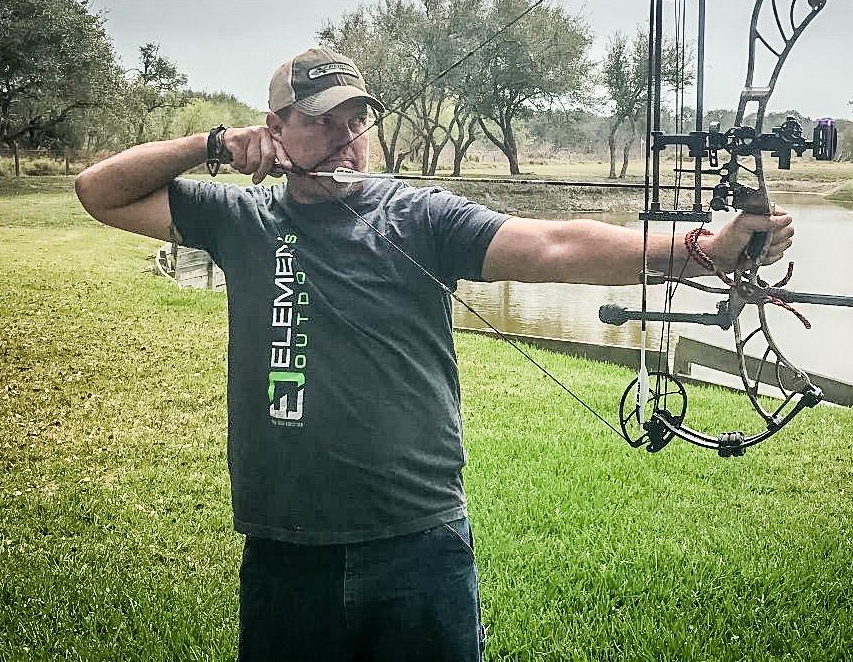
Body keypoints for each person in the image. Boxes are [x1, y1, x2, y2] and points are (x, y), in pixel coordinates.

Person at [74, 47, 794, 661]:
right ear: (275, 130)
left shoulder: (420, 218)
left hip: (418, 544)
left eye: (356, 120)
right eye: (322, 120)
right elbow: (98, 193)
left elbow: (554, 245)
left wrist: (702, 251)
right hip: (285, 548)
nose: (345, 136)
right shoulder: (239, 219)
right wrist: (211, 146)